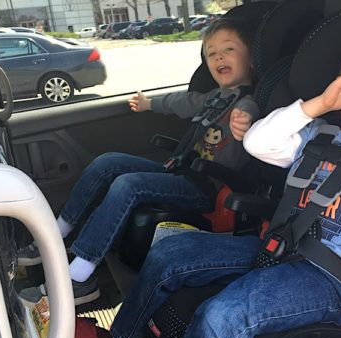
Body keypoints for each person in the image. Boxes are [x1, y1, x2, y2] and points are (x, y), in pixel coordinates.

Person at [58, 21, 341, 338]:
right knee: (171, 252)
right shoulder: (317, 134)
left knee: (223, 316)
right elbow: (257, 142)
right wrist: (318, 104)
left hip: (337, 280)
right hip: (284, 250)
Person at [18, 17, 259, 305]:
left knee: (128, 184)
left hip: (209, 189)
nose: (218, 56)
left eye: (229, 49)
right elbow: (179, 102)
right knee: (107, 162)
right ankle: (55, 237)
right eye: (211, 53)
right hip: (183, 173)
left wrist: (246, 123)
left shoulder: (248, 103)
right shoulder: (214, 97)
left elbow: (252, 119)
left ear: (252, 59)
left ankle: (79, 279)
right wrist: (148, 104)